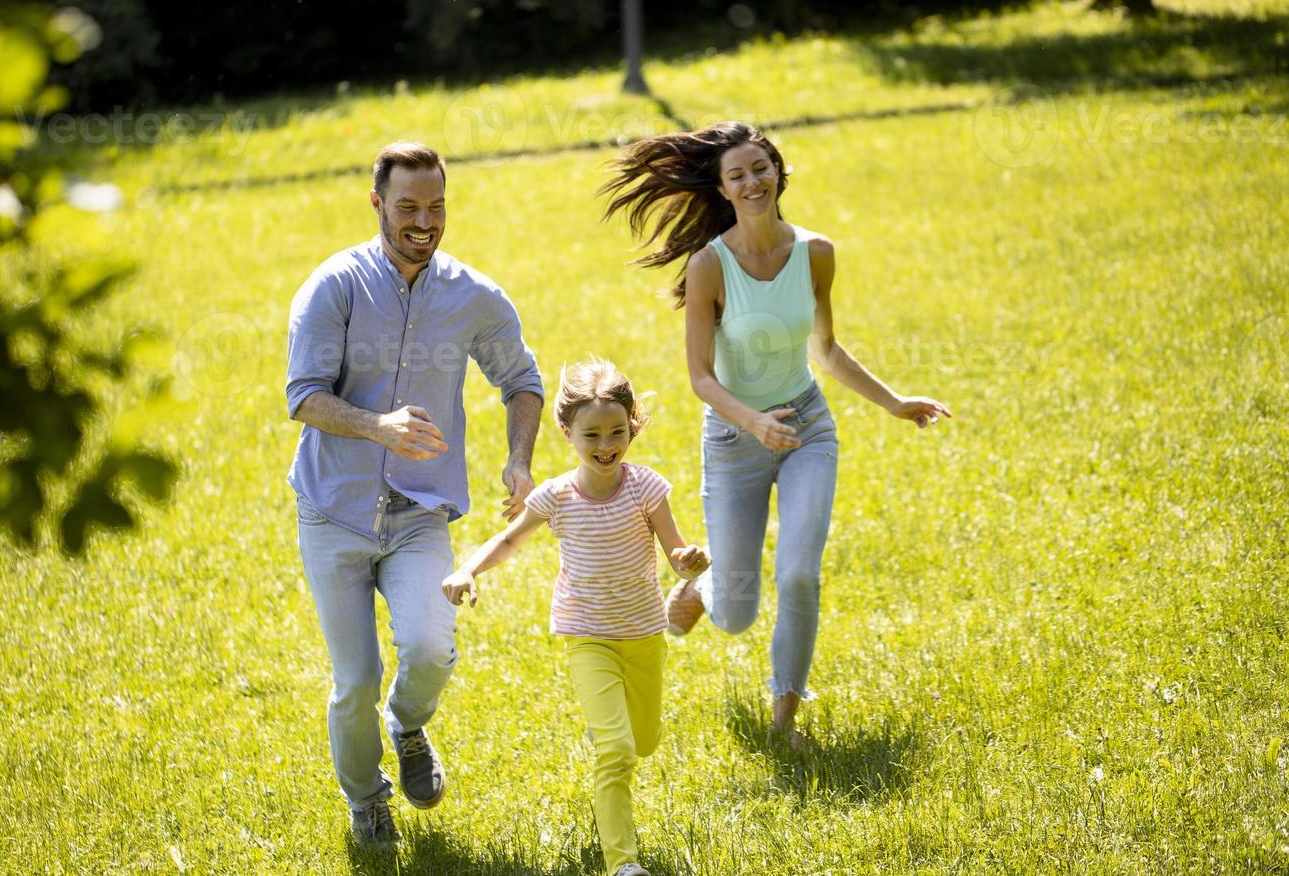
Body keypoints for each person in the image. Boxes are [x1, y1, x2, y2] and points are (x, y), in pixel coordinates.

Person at [599, 122, 952, 747]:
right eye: (737, 174)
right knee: (736, 614)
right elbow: (701, 378)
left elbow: (826, 348)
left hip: (807, 428)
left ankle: (785, 713)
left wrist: (896, 402)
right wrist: (753, 421)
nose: (752, 181)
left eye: (760, 168)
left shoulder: (816, 252)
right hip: (736, 442)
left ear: (778, 173)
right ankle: (708, 588)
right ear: (724, 187)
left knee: (798, 573)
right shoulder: (710, 265)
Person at [286, 141, 545, 847]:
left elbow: (522, 380)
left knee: (430, 648)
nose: (423, 220)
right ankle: (367, 801)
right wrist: (378, 426)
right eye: (407, 207)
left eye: (435, 206)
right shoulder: (334, 286)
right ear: (377, 203)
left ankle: (407, 725)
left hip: (418, 513)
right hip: (333, 511)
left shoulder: (472, 296)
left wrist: (518, 461)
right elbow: (303, 397)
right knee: (354, 680)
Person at [442, 358, 710, 876]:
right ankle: (623, 863)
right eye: (592, 434)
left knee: (644, 741)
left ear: (632, 426)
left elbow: (675, 552)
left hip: (643, 632)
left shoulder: (646, 488)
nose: (606, 445)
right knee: (616, 750)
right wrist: (468, 570)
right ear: (567, 433)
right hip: (587, 636)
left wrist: (689, 561)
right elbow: (508, 540)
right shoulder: (556, 497)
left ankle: (609, 727)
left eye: (616, 432)